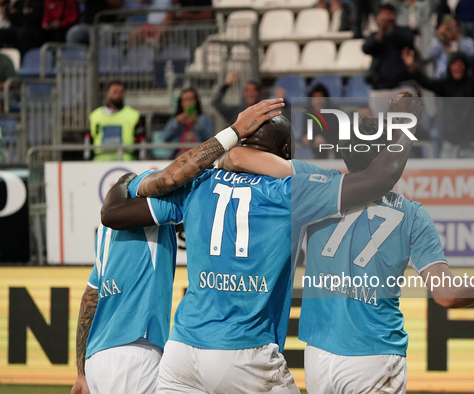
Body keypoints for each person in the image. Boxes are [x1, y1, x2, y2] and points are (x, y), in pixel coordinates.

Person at [100, 94, 424, 394]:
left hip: (182, 349)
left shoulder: (198, 182)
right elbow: (380, 180)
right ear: (286, 154)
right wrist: (407, 121)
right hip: (244, 349)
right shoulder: (291, 192)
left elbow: (115, 214)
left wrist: (121, 183)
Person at [219, 99, 474, 394]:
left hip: (319, 356)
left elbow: (239, 157)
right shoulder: (413, 215)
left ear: (344, 153)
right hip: (375, 354)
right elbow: (446, 295)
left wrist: (226, 149)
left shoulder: (316, 184)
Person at [71, 99, 287, 394]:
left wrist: (82, 372)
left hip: (104, 355)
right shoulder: (148, 184)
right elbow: (171, 177)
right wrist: (234, 135)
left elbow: (90, 298)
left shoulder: (107, 234)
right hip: (136, 347)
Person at [402, 45, 474, 157]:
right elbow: (426, 82)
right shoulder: (445, 85)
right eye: (455, 63)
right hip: (450, 142)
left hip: (472, 143)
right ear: (450, 67)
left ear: (465, 67)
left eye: (461, 64)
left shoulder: (473, 84)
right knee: (445, 173)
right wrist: (412, 68)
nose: (458, 66)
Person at [363, 4, 416, 116]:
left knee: (405, 126)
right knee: (380, 127)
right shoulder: (375, 36)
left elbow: (408, 40)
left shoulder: (402, 31)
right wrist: (381, 32)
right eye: (384, 14)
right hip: (380, 89)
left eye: (390, 14)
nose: (387, 18)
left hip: (402, 86)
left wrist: (389, 31)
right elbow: (366, 48)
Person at [89, 81, 142, 161]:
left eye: (121, 92)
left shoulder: (133, 115)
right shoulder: (95, 116)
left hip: (126, 161)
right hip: (100, 161)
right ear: (107, 94)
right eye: (115, 92)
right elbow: (88, 140)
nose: (118, 95)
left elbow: (141, 141)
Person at [162, 87, 214, 159]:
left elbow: (210, 138)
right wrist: (176, 122)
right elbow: (165, 137)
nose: (189, 102)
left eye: (191, 99)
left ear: (196, 101)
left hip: (199, 158)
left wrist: (196, 124)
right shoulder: (175, 119)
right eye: (185, 100)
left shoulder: (204, 119)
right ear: (181, 103)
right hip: (177, 157)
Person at [299, 83, 342, 160]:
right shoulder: (308, 114)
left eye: (321, 97)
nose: (318, 101)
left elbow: (340, 136)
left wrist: (326, 140)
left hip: (337, 157)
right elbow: (305, 134)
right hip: (317, 156)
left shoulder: (335, 113)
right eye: (315, 98)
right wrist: (306, 138)